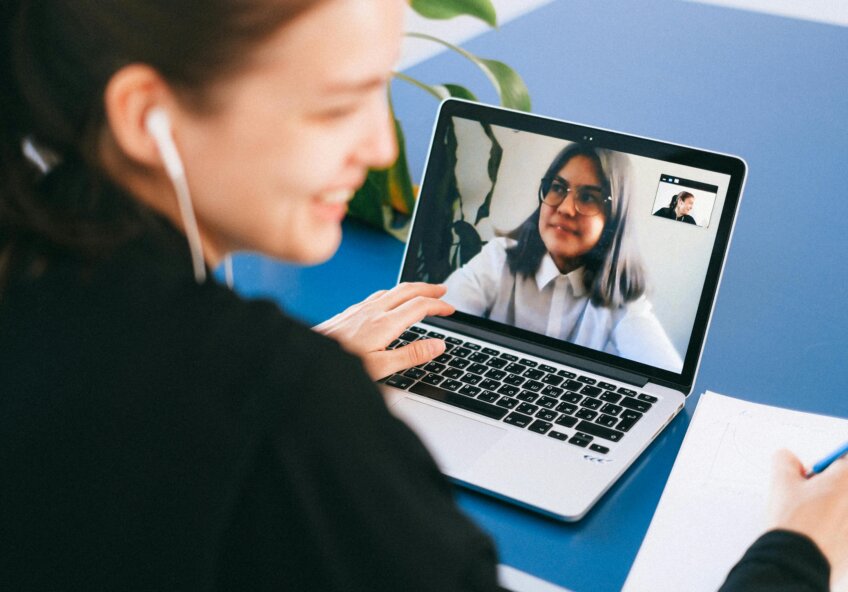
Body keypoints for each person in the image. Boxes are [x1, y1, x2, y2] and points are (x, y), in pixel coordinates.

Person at [0, 1, 846, 591]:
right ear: (148, 115)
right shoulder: (290, 414)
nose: (378, 148)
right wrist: (794, 554)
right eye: (336, 105)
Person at [443, 144, 684, 371]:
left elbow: (664, 378)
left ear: (613, 218)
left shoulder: (623, 299)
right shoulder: (499, 258)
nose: (565, 208)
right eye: (558, 188)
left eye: (588, 197)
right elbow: (435, 320)